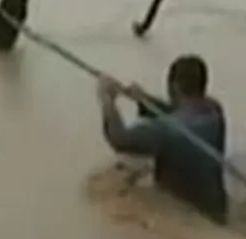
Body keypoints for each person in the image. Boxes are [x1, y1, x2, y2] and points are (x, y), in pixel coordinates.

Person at [96, 54, 229, 225]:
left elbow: (119, 139)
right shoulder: (214, 110)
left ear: (173, 87)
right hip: (217, 209)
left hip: (185, 216)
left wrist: (107, 100)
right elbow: (179, 111)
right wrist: (144, 99)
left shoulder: (164, 130)